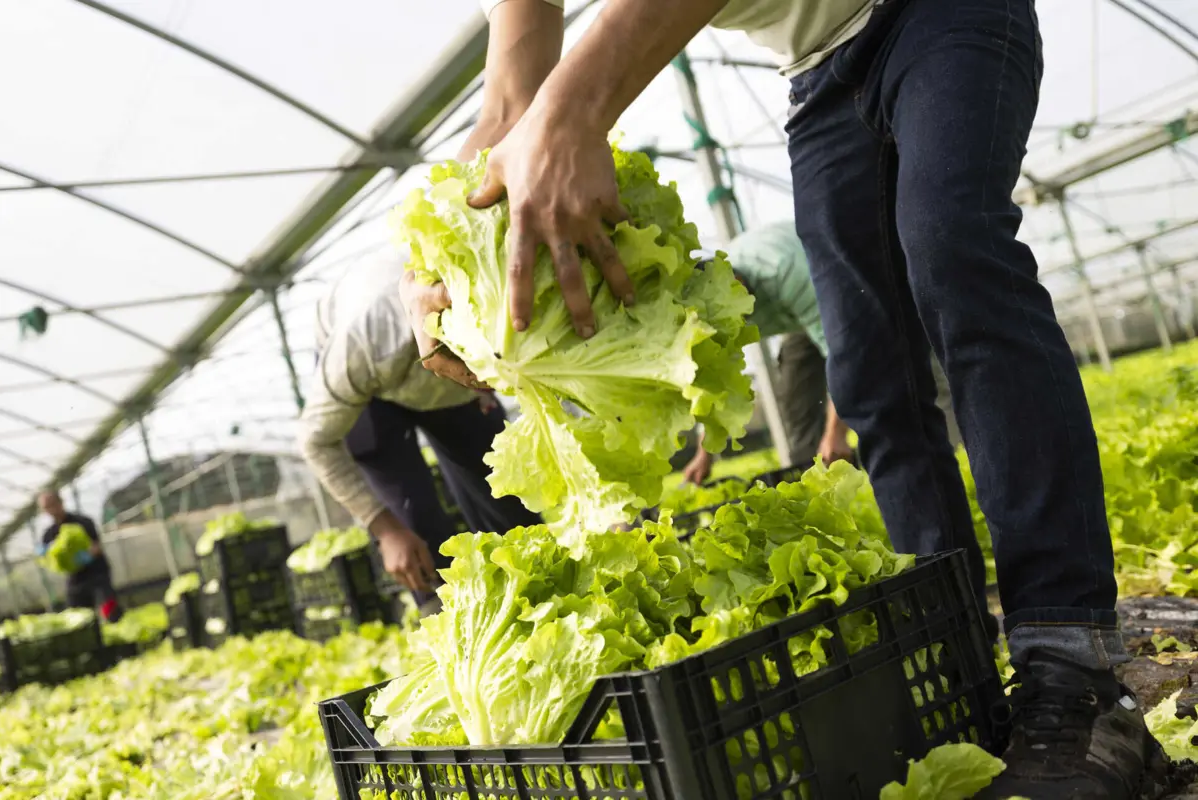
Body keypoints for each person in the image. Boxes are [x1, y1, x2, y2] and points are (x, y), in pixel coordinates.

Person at [401, 0, 1159, 796]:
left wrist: (577, 109)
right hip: (817, 70)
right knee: (872, 378)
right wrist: (446, 250)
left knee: (953, 249)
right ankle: (954, 658)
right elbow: (507, 105)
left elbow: (553, 109)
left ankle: (1075, 672)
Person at [298, 254, 541, 603]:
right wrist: (386, 529)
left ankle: (538, 598)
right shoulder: (365, 343)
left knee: (508, 499)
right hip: (375, 390)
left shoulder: (504, 299)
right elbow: (315, 442)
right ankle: (447, 619)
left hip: (444, 377)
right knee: (416, 532)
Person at [681, 220, 960, 485]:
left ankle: (955, 466)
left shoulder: (781, 270)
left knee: (918, 374)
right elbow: (719, 380)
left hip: (847, 285)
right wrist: (705, 453)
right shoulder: (713, 313)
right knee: (797, 398)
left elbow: (844, 351)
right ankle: (820, 490)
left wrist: (836, 432)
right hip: (800, 314)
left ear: (737, 281)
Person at [38, 490, 121, 622]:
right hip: (76, 578)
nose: (51, 510)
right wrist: (46, 557)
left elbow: (96, 547)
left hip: (97, 573)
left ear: (61, 503)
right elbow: (45, 556)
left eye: (52, 504)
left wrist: (85, 556)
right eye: (46, 508)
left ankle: (115, 626)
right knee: (79, 615)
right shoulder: (48, 534)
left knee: (109, 608)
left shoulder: (83, 522)